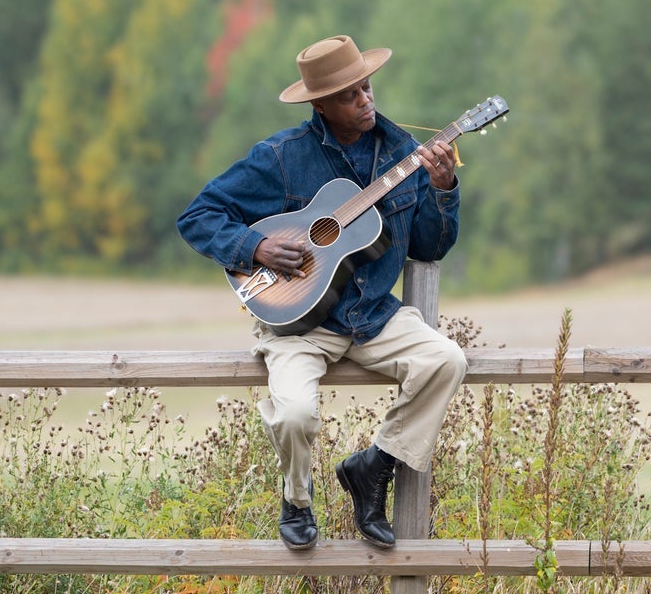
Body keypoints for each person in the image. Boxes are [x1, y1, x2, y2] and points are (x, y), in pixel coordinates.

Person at [176, 35, 468, 550]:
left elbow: (430, 245)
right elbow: (197, 216)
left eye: (367, 88)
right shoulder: (282, 158)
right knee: (293, 414)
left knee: (446, 360)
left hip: (374, 315)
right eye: (351, 95)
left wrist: (443, 190)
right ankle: (297, 498)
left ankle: (372, 468)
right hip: (299, 323)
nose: (366, 100)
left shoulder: (402, 153)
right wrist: (255, 247)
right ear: (320, 104)